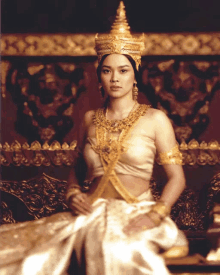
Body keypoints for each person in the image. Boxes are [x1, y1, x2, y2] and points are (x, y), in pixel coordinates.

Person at [0, 2, 188, 274]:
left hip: (138, 214)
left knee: (114, 250)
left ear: (135, 75)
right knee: (21, 250)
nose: (115, 78)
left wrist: (154, 215)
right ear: (99, 75)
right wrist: (73, 192)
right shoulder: (89, 118)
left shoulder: (155, 119)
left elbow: (177, 178)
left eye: (123, 70)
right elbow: (77, 169)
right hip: (91, 214)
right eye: (107, 70)